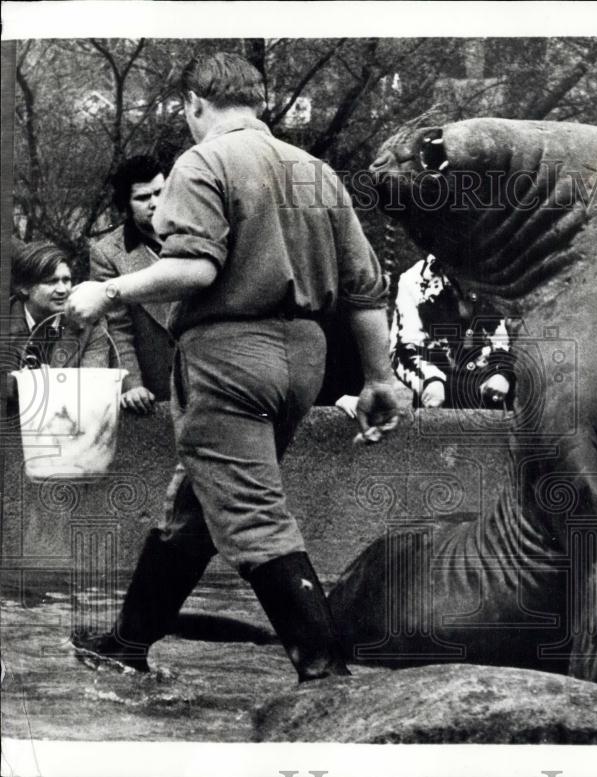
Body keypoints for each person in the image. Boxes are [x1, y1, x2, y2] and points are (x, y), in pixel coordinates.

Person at [66, 52, 400, 683]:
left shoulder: (203, 160)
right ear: (261, 100)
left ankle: (326, 674)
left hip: (229, 355)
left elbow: (195, 267)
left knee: (250, 512)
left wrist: (108, 291)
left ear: (195, 103)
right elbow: (364, 292)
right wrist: (380, 378)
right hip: (304, 357)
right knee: (197, 500)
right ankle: (128, 642)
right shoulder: (316, 172)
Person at [90, 155, 173, 415]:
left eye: (161, 192)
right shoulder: (107, 253)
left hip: (208, 379)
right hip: (154, 385)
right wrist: (132, 384)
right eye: (142, 198)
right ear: (126, 203)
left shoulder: (197, 233)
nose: (154, 203)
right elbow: (117, 327)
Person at [391, 254, 514, 409]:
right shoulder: (413, 279)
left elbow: (509, 334)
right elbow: (402, 349)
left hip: (493, 389)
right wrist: (429, 380)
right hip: (439, 392)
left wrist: (502, 372)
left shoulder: (498, 271)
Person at [3, 242, 109, 404]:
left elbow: (92, 385)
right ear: (24, 287)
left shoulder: (89, 322)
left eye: (66, 280)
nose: (62, 290)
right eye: (51, 282)